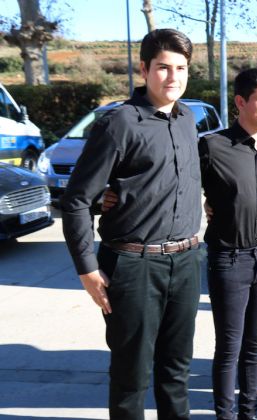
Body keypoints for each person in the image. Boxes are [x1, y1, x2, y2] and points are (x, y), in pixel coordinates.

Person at [60, 29, 201, 419]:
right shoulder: (119, 123)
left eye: (181, 68)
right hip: (133, 266)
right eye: (163, 68)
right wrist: (87, 269)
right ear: (144, 69)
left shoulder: (187, 118)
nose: (173, 77)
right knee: (131, 378)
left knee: (176, 373)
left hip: (186, 262)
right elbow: (75, 201)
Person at [199, 68, 257, 420]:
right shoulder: (212, 146)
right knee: (229, 347)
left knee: (255, 347)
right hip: (228, 260)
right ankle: (226, 415)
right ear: (240, 102)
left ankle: (250, 412)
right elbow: (176, 183)